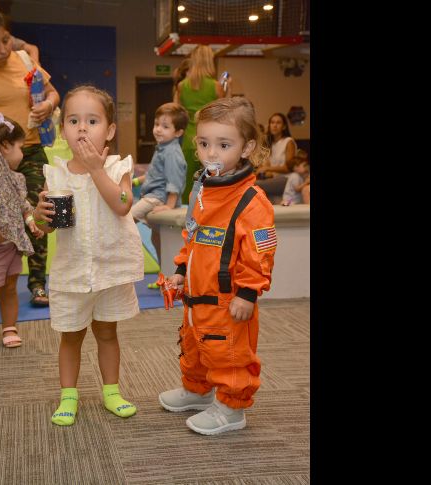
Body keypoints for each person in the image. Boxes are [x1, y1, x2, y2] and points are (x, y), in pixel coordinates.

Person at [158, 97, 277, 435]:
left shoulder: (252, 201)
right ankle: (197, 389)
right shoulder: (203, 191)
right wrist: (181, 271)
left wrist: (248, 293)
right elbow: (191, 237)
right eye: (205, 143)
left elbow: (260, 254)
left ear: (246, 147)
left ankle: (232, 407)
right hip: (197, 298)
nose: (212, 154)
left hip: (229, 301)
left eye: (224, 145)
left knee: (229, 353)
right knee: (194, 346)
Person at [31, 85, 144, 426]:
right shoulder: (56, 173)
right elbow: (47, 228)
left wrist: (96, 169)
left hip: (110, 271)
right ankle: (69, 395)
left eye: (92, 120)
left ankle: (111, 391)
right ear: (63, 129)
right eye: (73, 120)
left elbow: (122, 206)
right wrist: (39, 214)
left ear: (109, 130)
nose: (82, 128)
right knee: (71, 336)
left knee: (107, 333)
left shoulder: (115, 166)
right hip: (73, 273)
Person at [0, 8, 61, 307]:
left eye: (6, 40)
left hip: (29, 148)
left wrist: (49, 105)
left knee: (37, 212)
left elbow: (53, 92)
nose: (4, 48)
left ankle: (37, 284)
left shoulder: (23, 60)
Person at [0, 114, 44, 348]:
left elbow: (24, 206)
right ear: (5, 146)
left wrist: (30, 221)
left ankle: (9, 327)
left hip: (9, 247)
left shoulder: (18, 179)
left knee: (9, 288)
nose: (23, 154)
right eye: (21, 147)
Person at [130, 102, 189, 288]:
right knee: (157, 239)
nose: (158, 130)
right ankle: (164, 276)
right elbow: (155, 173)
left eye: (165, 126)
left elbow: (174, 179)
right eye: (156, 124)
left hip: (158, 197)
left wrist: (170, 205)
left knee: (126, 218)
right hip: (153, 193)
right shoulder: (163, 147)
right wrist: (136, 181)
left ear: (178, 132)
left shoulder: (172, 152)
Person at [175, 45, 229, 204]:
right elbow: (224, 113)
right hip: (210, 141)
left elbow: (177, 111)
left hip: (188, 140)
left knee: (189, 182)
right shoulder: (216, 86)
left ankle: (186, 215)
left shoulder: (181, 86)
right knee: (212, 180)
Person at [254, 112, 297, 204]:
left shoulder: (288, 142)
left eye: (278, 123)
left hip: (286, 178)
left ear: (284, 126)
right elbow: (265, 166)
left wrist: (267, 168)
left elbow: (288, 168)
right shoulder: (270, 144)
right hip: (273, 179)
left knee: (254, 184)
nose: (274, 125)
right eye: (272, 122)